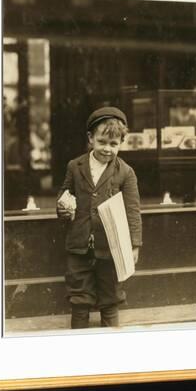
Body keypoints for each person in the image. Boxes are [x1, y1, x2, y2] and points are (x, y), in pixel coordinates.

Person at [56, 107, 142, 329]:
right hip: (79, 244)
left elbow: (133, 210)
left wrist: (134, 246)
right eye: (102, 142)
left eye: (114, 144)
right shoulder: (75, 167)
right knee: (79, 298)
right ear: (90, 138)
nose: (107, 149)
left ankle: (110, 345)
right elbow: (66, 193)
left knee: (111, 297)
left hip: (111, 246)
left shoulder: (126, 172)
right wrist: (63, 207)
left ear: (122, 143)